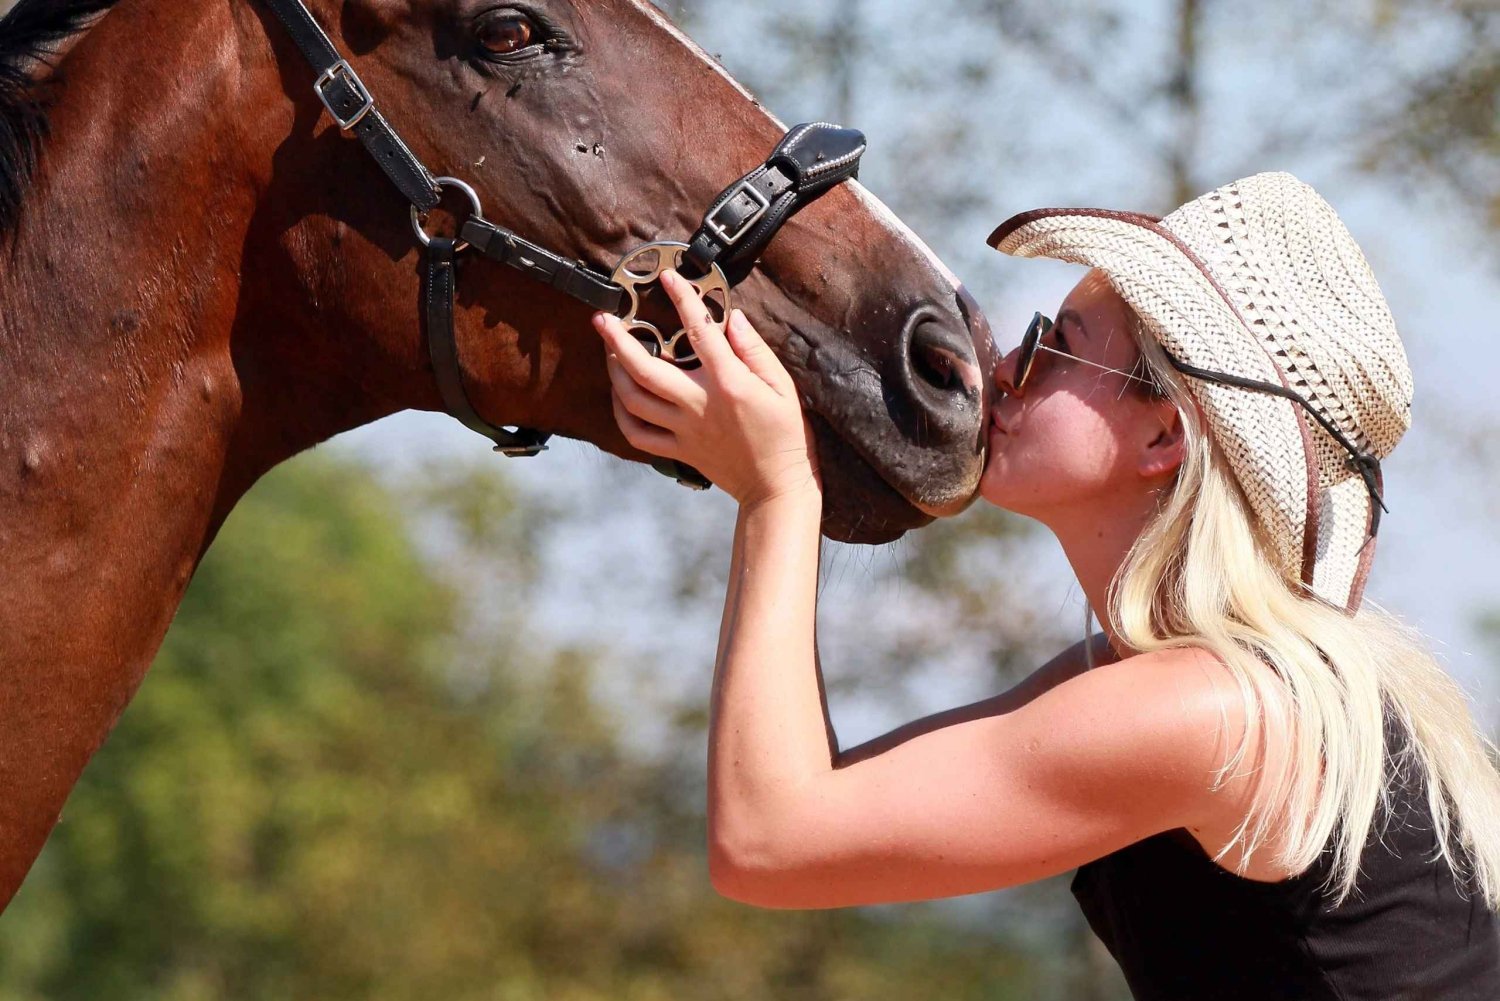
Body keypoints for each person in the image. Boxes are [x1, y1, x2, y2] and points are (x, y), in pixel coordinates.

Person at [590, 171, 1500, 999]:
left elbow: (768, 839)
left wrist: (779, 493)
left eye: (1054, 344)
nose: (1000, 372)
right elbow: (812, 799)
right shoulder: (1186, 683)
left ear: (1162, 440)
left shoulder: (1211, 710)